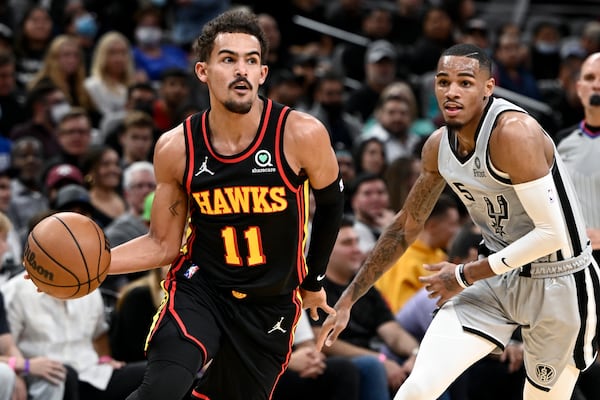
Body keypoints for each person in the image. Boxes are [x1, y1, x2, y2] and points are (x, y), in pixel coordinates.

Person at [317, 43, 600, 400]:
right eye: (443, 81)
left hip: (560, 281)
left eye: (465, 82)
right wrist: (348, 299)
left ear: (488, 88)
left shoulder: (515, 133)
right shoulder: (437, 147)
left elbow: (552, 234)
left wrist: (464, 275)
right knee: (417, 389)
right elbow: (406, 225)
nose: (451, 91)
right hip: (497, 279)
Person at [106, 9, 343, 400]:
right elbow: (163, 244)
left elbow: (332, 204)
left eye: (252, 61)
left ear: (263, 74)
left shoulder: (300, 134)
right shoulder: (177, 147)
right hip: (202, 288)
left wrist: (314, 281)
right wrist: (96, 264)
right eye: (228, 59)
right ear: (203, 71)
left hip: (270, 305)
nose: (242, 71)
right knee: (162, 389)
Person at [555, 51, 600, 400]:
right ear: (579, 87)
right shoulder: (559, 143)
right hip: (573, 268)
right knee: (572, 367)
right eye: (589, 76)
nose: (597, 83)